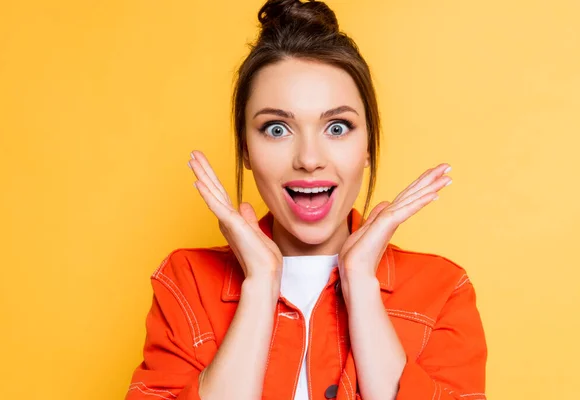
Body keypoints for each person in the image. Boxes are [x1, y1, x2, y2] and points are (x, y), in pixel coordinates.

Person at [125, 1, 487, 399]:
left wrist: (362, 284)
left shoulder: (441, 290)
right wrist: (261, 284)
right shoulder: (187, 282)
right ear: (245, 148)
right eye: (277, 128)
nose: (309, 159)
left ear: (367, 145)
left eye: (337, 126)